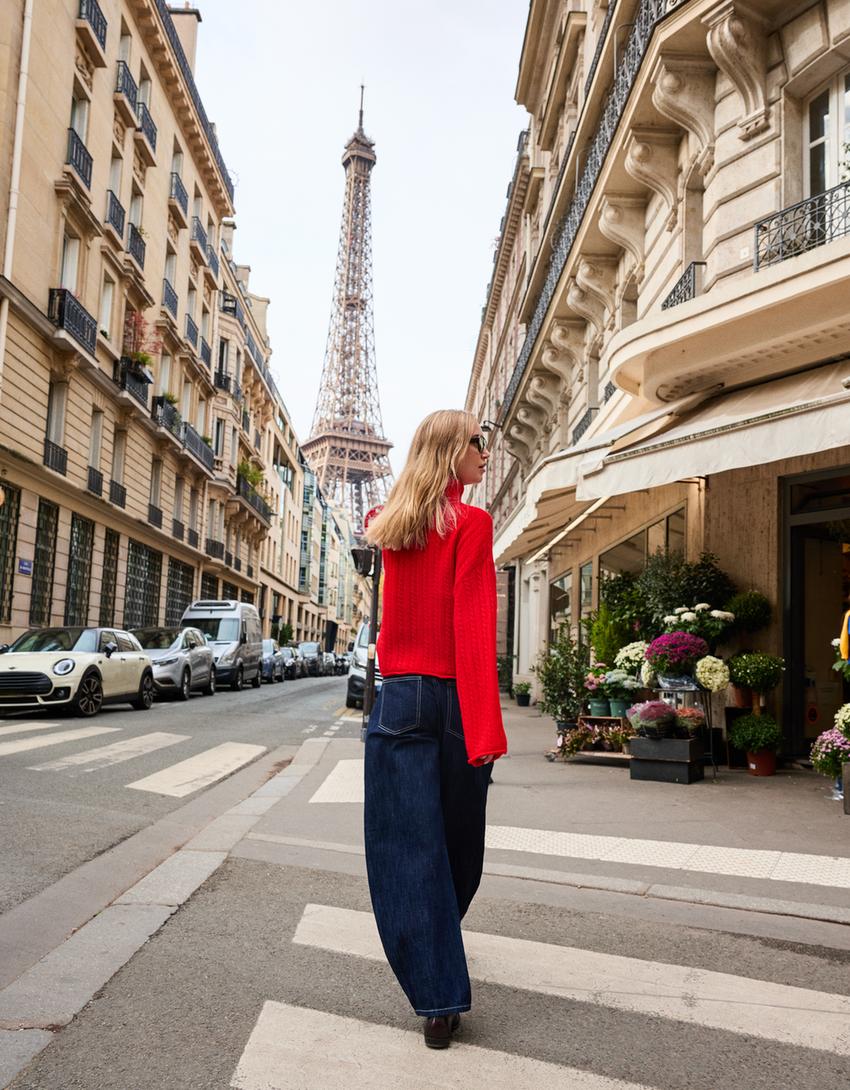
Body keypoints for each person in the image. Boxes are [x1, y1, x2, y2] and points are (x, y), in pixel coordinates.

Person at [363, 409, 508, 1050]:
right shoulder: (471, 525)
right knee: (458, 852)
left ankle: (432, 980)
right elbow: (475, 632)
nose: (486, 448)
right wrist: (485, 734)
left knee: (406, 850)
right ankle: (439, 996)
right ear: (453, 452)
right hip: (450, 701)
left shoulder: (389, 527)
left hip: (397, 699)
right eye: (479, 440)